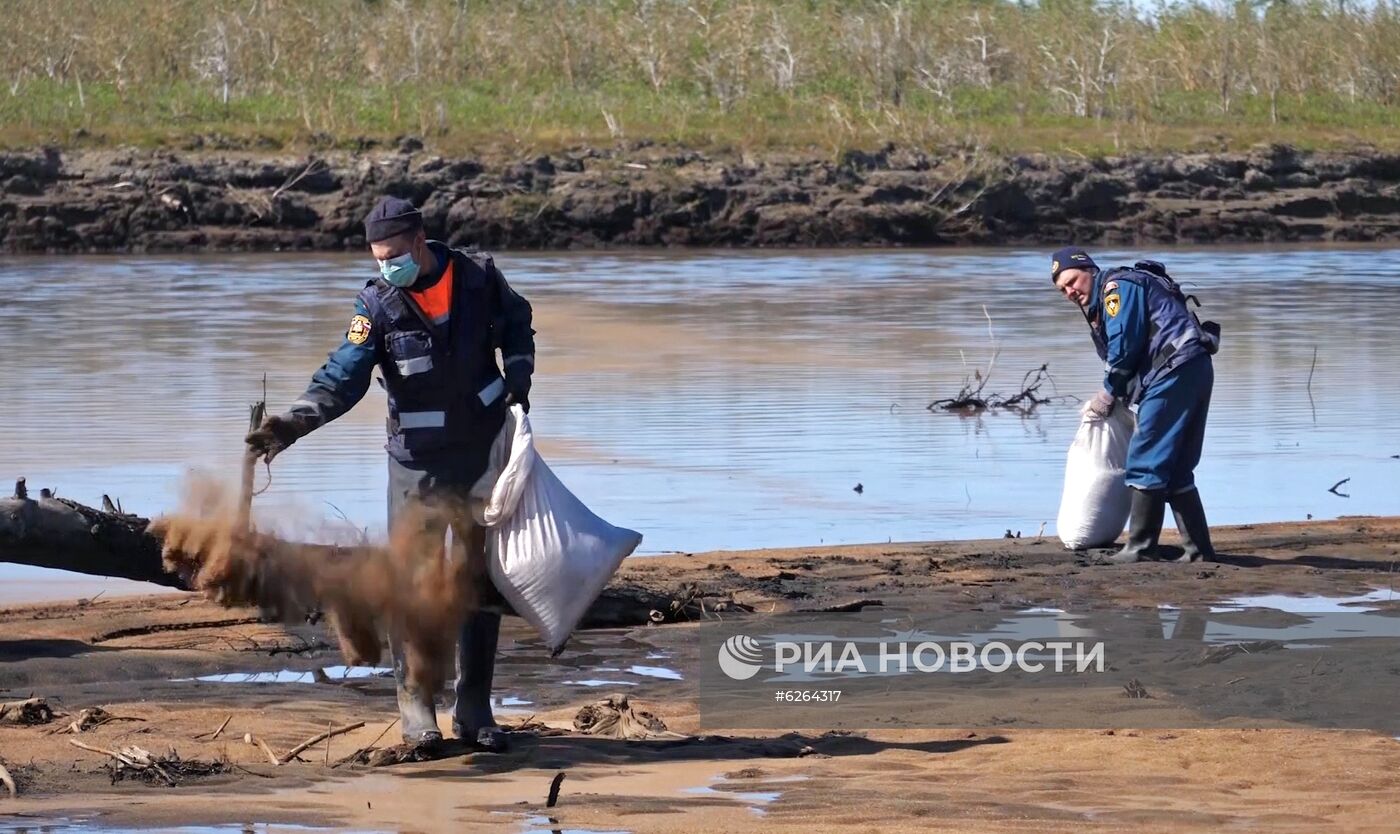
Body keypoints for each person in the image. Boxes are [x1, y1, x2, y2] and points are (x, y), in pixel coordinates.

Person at [245, 196, 536, 749]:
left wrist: (520, 378)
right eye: (379, 258)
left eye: (395, 256)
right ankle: (417, 710)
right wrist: (291, 425)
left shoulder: (479, 279)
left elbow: (519, 321)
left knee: (479, 580)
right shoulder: (376, 306)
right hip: (416, 467)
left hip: (483, 454)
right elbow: (343, 376)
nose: (387, 267)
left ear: (420, 242)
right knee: (415, 584)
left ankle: (475, 709)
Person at [1051, 246, 1219, 564]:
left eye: (1072, 280)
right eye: (1063, 290)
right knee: (1178, 467)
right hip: (1192, 367)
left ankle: (1140, 547)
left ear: (1089, 270)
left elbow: (1125, 346)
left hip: (1173, 371)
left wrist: (1106, 395)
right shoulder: (1115, 292)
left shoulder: (1116, 288)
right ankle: (1199, 551)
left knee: (1145, 460)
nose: (1070, 291)